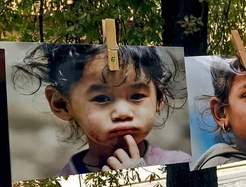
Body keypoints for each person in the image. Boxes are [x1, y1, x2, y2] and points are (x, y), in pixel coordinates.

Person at [14, 44, 191, 175]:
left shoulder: (179, 163)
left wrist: (138, 175)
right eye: (101, 98)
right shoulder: (68, 177)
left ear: (159, 98)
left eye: (136, 96)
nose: (123, 113)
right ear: (61, 104)